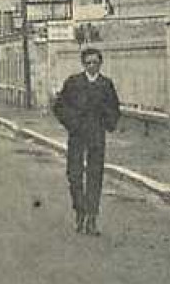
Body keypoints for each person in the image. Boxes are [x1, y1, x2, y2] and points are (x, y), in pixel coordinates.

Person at [51, 48, 121, 235]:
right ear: (83, 64)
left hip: (97, 135)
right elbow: (59, 106)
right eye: (88, 62)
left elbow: (115, 108)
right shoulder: (73, 83)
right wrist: (72, 123)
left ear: (100, 64)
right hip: (77, 135)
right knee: (74, 175)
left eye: (95, 62)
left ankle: (92, 217)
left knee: (94, 176)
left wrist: (108, 124)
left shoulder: (106, 84)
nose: (92, 66)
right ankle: (79, 211)